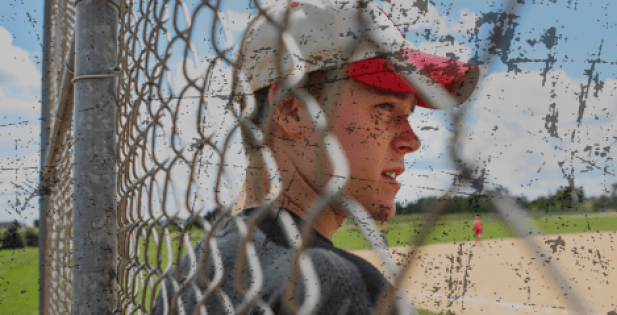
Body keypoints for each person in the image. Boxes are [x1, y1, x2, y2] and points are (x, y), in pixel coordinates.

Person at [153, 0, 479, 314]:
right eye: (385, 108)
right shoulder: (338, 286)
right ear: (291, 110)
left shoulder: (184, 277)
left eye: (408, 115)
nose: (412, 141)